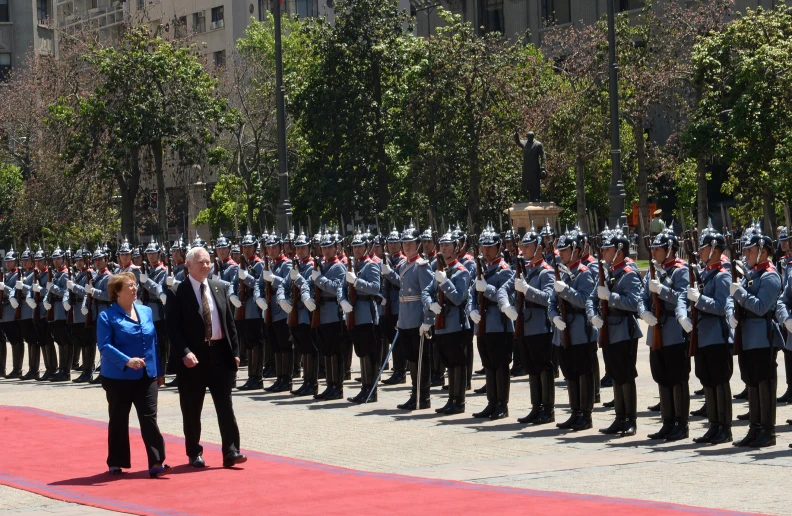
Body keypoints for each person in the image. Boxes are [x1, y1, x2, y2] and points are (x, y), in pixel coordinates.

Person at [167, 246, 246, 468]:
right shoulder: (177, 292)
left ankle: (231, 451)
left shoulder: (219, 287)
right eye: (200, 262)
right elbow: (172, 329)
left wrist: (236, 353)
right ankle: (194, 452)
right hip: (193, 359)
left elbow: (230, 324)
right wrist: (184, 353)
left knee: (225, 406)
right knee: (192, 409)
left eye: (208, 262)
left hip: (219, 354)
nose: (206, 266)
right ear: (188, 265)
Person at [96, 271, 170, 477]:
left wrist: (160, 371)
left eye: (135, 284)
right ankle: (116, 462)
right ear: (117, 293)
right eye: (129, 286)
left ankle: (157, 462)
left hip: (147, 375)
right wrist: (126, 361)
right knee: (119, 419)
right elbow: (104, 346)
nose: (134, 288)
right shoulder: (106, 316)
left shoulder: (145, 311)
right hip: (118, 377)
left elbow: (154, 343)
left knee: (149, 418)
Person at [586, 226, 643, 437]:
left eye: (607, 249)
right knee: (616, 376)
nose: (603, 253)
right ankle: (620, 417)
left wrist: (610, 297)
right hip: (608, 330)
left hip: (624, 331)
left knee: (626, 376)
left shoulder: (629, 273)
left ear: (619, 251)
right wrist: (593, 315)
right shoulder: (608, 270)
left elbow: (634, 303)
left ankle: (631, 419)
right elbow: (591, 298)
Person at [730, 231, 782, 448]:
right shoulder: (751, 274)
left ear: (762, 251)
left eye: (750, 250)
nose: (746, 253)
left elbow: (761, 307)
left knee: (764, 383)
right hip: (748, 336)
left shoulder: (770, 276)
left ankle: (767, 431)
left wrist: (740, 294)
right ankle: (755, 427)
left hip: (763, 336)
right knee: (751, 381)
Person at [641, 229, 692, 442]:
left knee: (678, 378)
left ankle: (681, 424)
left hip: (674, 330)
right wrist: (643, 311)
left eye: (658, 249)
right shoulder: (653, 270)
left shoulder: (681, 271)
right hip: (657, 330)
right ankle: (667, 422)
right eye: (652, 248)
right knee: (661, 376)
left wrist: (662, 291)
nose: (654, 252)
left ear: (670, 249)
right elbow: (642, 297)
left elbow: (683, 299)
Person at [501, 225, 552, 424]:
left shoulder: (545, 272)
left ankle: (548, 409)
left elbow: (548, 298)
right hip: (524, 325)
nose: (524, 249)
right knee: (531, 367)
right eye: (523, 246)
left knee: (543, 367)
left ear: (539, 247)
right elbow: (504, 290)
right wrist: (506, 305)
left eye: (528, 246)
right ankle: (536, 406)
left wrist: (527, 290)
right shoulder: (525, 269)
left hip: (540, 326)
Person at [689, 226, 734, 444]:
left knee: (719, 381)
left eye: (704, 248)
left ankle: (724, 428)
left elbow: (722, 306)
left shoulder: (722, 276)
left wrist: (699, 300)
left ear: (715, 249)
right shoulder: (707, 272)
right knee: (707, 380)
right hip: (704, 334)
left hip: (717, 335)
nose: (700, 251)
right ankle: (713, 425)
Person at [550, 228, 598, 431]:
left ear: (576, 251)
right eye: (559, 251)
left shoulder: (584, 274)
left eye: (564, 251)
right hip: (563, 331)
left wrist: (566, 291)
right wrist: (553, 317)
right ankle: (575, 411)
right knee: (569, 372)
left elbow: (586, 301)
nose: (560, 254)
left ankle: (585, 415)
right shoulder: (561, 272)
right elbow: (551, 302)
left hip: (580, 331)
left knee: (582, 373)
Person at [426, 227, 471, 414]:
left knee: (457, 362)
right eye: (442, 245)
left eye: (448, 245)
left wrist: (444, 282)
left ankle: (458, 401)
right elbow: (426, 292)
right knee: (448, 362)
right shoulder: (439, 270)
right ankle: (451, 398)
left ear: (456, 247)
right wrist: (430, 304)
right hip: (441, 324)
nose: (444, 249)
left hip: (456, 323)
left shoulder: (461, 271)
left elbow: (459, 298)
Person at [342, 229, 382, 403]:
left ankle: (371, 390)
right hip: (353, 313)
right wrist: (342, 299)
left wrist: (356, 282)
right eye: (355, 247)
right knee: (361, 351)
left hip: (367, 313)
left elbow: (375, 287)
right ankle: (364, 388)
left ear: (367, 247)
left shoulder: (371, 265)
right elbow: (341, 287)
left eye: (360, 247)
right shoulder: (352, 265)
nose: (357, 250)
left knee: (369, 351)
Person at [1, 248, 25, 379]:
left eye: (10, 261)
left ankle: (17, 368)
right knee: (10, 340)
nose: (7, 264)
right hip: (4, 312)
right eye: (6, 262)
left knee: (16, 340)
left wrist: (4, 288)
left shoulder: (18, 275)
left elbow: (15, 291)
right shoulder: (7, 275)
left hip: (12, 311)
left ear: (15, 262)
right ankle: (8, 368)